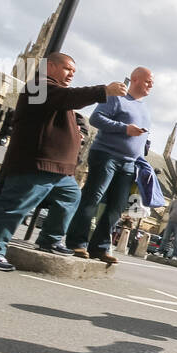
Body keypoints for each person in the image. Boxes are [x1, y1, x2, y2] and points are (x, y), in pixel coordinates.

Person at [0, 54, 126, 271]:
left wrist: (79, 131)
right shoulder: (38, 86)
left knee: (70, 197)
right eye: (67, 69)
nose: (71, 74)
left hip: (60, 168)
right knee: (14, 207)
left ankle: (50, 240)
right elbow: (66, 98)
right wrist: (103, 91)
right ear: (51, 66)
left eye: (74, 71)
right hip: (36, 162)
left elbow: (69, 110)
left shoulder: (55, 93)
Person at [67, 67, 153, 264]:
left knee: (117, 206)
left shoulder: (145, 109)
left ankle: (100, 247)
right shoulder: (117, 97)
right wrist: (125, 129)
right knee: (92, 198)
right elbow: (96, 119)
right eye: (147, 81)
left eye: (152, 83)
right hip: (107, 155)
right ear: (135, 79)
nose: (150, 85)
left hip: (129, 163)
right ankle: (76, 242)